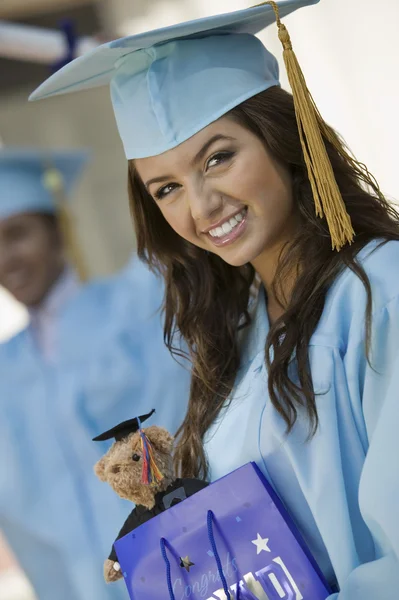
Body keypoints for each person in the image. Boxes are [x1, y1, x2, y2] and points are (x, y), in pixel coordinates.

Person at [30, 0, 399, 597]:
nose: (201, 208)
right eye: (167, 188)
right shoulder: (240, 329)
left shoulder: (379, 293)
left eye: (219, 158)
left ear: (283, 136)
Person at [0, 148, 190, 600]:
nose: (6, 258)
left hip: (178, 568)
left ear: (58, 231)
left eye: (17, 234)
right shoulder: (6, 369)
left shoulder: (134, 306)